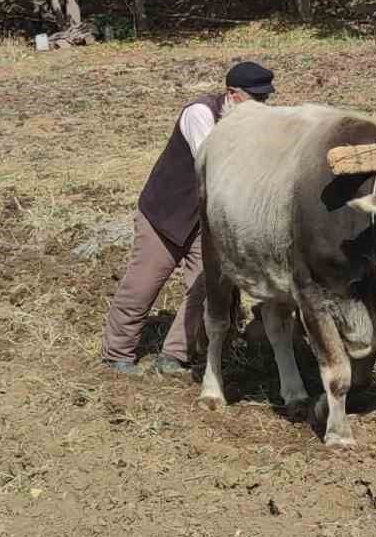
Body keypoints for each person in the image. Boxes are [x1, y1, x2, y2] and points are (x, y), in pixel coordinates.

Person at [101, 61, 275, 375]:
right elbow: (212, 166)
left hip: (206, 222)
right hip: (166, 214)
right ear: (233, 94)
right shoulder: (200, 114)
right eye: (256, 98)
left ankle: (175, 355)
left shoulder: (253, 123)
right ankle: (118, 353)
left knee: (204, 288)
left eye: (265, 99)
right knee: (143, 284)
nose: (262, 105)